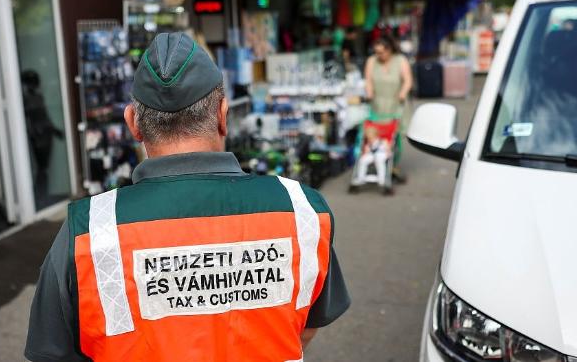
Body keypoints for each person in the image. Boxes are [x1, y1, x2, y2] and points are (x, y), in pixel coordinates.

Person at [25, 32, 350, 362]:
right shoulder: (301, 211)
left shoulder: (88, 231)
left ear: (133, 123)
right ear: (223, 115)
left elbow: (52, 353)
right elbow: (307, 323)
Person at [364, 37, 413, 182]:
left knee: (394, 137)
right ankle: (379, 163)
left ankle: (393, 165)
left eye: (382, 53)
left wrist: (403, 93)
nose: (379, 56)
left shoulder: (400, 61)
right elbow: (368, 80)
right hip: (377, 104)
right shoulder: (371, 61)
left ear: (389, 50)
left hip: (395, 103)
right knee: (375, 135)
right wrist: (369, 92)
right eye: (376, 52)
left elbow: (408, 80)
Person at [21, 70, 64, 203]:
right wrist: (33, 134)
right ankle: (38, 196)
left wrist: (54, 130)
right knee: (41, 168)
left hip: (46, 134)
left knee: (44, 168)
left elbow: (45, 116)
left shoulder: (38, 97)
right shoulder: (25, 99)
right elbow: (26, 119)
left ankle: (42, 195)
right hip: (37, 136)